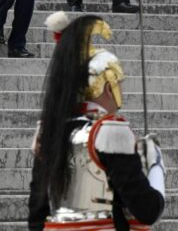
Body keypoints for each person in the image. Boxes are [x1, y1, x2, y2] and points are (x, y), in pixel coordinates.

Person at [27, 12, 165, 230]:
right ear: (108, 87)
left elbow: (37, 215)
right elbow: (147, 210)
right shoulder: (111, 130)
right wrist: (155, 166)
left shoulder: (50, 130)